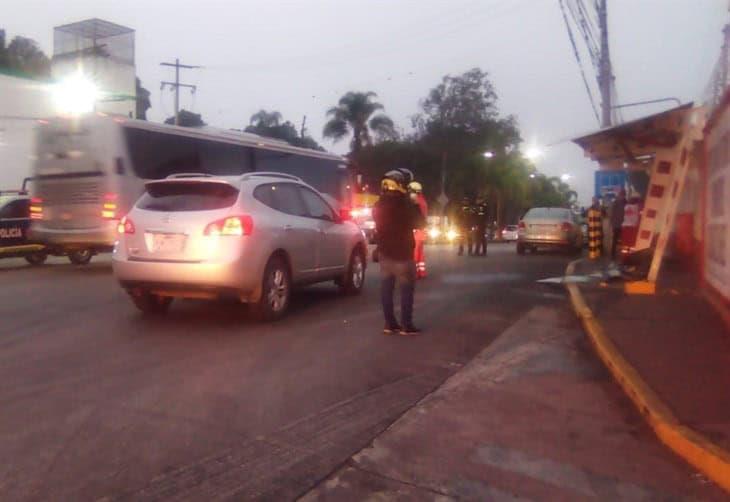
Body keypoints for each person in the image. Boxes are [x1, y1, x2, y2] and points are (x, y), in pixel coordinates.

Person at [373, 170, 426, 335]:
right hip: (402, 254)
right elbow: (421, 223)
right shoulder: (406, 204)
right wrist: (414, 202)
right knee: (406, 290)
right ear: (401, 185)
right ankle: (406, 325)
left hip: (384, 253)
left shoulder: (379, 204)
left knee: (386, 289)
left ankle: (390, 323)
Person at [408, 181, 429, 279]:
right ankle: (421, 272)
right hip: (421, 229)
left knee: (414, 252)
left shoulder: (416, 202)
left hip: (416, 230)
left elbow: (414, 216)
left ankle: (414, 273)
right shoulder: (422, 200)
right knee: (420, 252)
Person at [610, 188, 626, 259]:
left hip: (623, 224)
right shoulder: (616, 202)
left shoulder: (625, 202)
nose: (622, 196)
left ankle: (622, 254)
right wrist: (612, 223)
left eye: (623, 195)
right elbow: (612, 213)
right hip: (617, 224)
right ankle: (613, 255)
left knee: (622, 240)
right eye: (621, 195)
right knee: (615, 240)